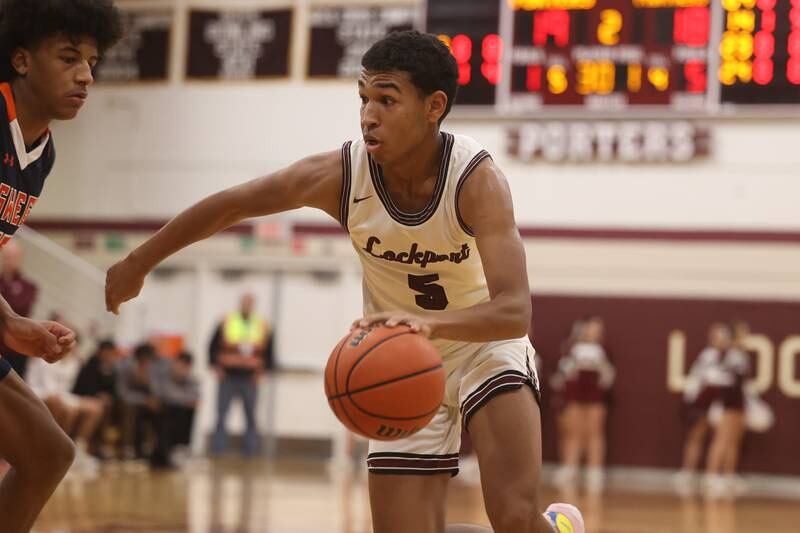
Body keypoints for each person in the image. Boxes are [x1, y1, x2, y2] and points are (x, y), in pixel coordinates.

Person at [105, 30, 583, 533]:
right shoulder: (341, 174)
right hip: (407, 359)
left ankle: (558, 527)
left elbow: (514, 311)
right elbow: (233, 203)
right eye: (363, 98)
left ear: (433, 106)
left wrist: (426, 324)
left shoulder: (476, 180)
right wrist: (139, 261)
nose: (367, 114)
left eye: (386, 99)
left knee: (513, 518)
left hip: (485, 347)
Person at [0, 2, 121, 531]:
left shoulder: (41, 152)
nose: (85, 75)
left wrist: (12, 323)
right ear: (21, 59)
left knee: (49, 453)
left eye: (92, 62)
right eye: (69, 57)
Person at [553, 316, 614, 494]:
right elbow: (563, 371)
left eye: (598, 329)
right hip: (575, 393)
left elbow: (609, 373)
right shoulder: (571, 348)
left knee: (595, 431)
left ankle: (594, 472)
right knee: (573, 432)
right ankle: (570, 468)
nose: (594, 332)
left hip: (595, 394)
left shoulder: (603, 350)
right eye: (591, 328)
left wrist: (602, 384)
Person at [208, 293, 272, 457]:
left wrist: (261, 372)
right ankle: (218, 450)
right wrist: (217, 368)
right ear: (240, 303)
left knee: (251, 416)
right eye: (245, 302)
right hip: (228, 376)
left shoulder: (263, 325)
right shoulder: (226, 321)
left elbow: (269, 353)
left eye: (250, 303)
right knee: (222, 414)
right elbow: (212, 346)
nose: (247, 305)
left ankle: (250, 452)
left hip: (250, 378)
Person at [674, 322, 731, 497]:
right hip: (704, 402)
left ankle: (713, 476)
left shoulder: (729, 357)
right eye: (716, 336)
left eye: (722, 337)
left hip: (719, 402)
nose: (719, 340)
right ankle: (688, 473)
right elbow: (699, 379)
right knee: (697, 436)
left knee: (721, 438)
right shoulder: (707, 356)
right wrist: (692, 401)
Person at [704, 320, 751, 498]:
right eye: (743, 334)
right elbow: (717, 377)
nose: (746, 337)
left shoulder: (742, 356)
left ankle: (728, 476)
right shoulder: (728, 355)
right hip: (727, 403)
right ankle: (712, 477)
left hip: (739, 402)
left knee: (734, 441)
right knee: (721, 439)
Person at [0, 241, 39, 379]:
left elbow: (20, 307)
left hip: (18, 346)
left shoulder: (29, 286)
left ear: (20, 258)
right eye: (6, 256)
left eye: (13, 256)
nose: (9, 260)